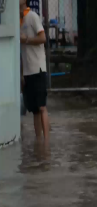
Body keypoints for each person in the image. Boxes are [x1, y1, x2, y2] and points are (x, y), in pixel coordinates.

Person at [20, 0, 50, 141]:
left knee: (42, 107)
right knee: (34, 110)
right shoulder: (18, 21)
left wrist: (26, 40)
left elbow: (43, 37)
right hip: (27, 71)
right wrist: (21, 73)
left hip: (38, 68)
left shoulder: (32, 16)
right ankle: (39, 142)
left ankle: (46, 142)